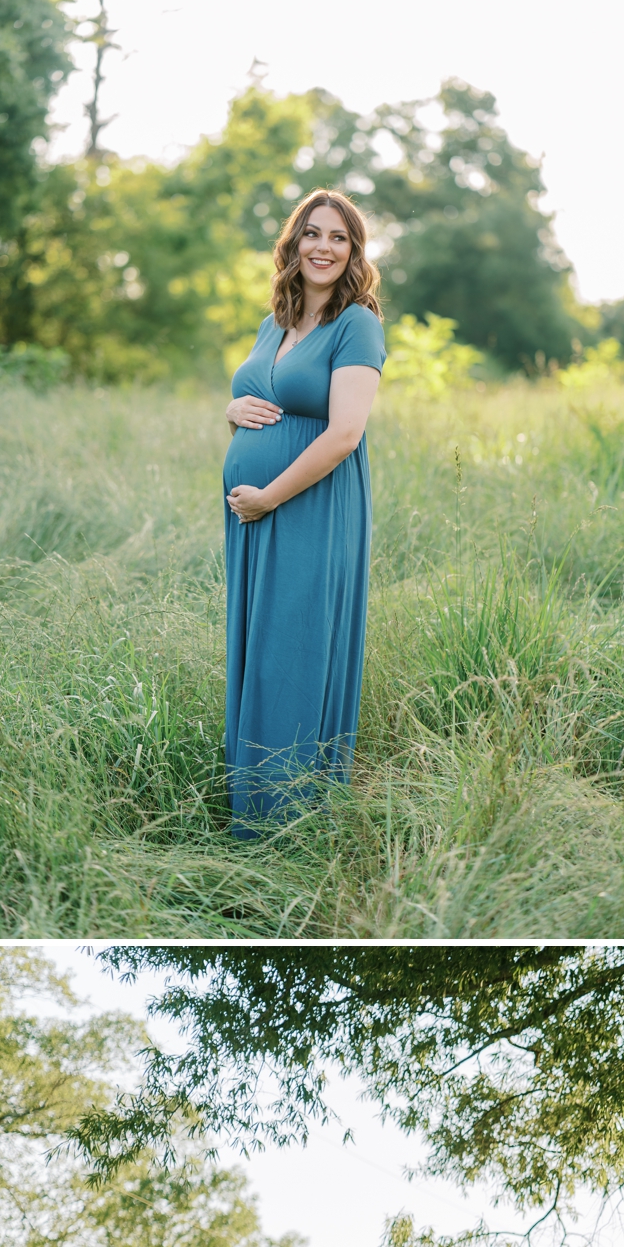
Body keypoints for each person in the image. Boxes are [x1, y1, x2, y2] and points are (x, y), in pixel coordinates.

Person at [222, 189, 386, 835]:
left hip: (309, 510)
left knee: (291, 652)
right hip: (254, 523)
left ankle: (286, 827)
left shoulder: (357, 325)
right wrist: (231, 411)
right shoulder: (277, 322)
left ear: (353, 252)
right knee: (257, 651)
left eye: (338, 237)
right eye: (312, 234)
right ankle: (251, 811)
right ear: (293, 245)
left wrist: (268, 496)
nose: (323, 247)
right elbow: (259, 398)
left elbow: (345, 433)